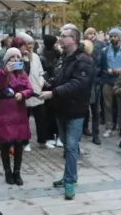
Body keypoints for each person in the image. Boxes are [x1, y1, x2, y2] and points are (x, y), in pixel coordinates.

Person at [40, 25, 95, 200]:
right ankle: (69, 176)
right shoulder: (63, 58)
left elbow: (78, 84)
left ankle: (70, 181)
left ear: (73, 39)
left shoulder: (84, 60)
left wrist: (53, 93)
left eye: (64, 36)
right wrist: (50, 82)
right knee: (66, 143)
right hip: (61, 108)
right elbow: (61, 78)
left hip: (76, 110)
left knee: (71, 146)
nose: (60, 39)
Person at [0, 48, 34, 185]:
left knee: (19, 143)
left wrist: (22, 94)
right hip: (5, 111)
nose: (16, 59)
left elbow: (30, 89)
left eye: (18, 57)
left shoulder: (22, 73)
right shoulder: (1, 72)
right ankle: (7, 172)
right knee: (5, 143)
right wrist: (6, 73)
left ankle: (17, 172)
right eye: (12, 57)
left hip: (19, 111)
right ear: (7, 59)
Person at [101, 28, 121, 137]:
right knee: (107, 105)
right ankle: (108, 127)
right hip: (108, 80)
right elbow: (102, 65)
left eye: (115, 36)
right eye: (111, 36)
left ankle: (120, 126)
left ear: (119, 37)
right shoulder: (105, 50)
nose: (113, 38)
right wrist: (107, 70)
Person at [39, 34, 62, 148]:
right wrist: (45, 81)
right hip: (47, 87)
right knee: (48, 113)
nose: (58, 45)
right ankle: (49, 136)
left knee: (58, 112)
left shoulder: (60, 54)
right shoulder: (41, 57)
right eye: (56, 43)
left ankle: (59, 136)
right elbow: (40, 72)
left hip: (57, 86)